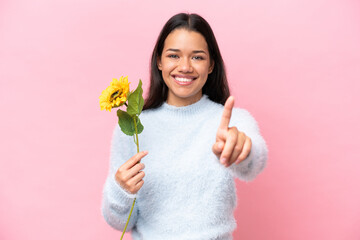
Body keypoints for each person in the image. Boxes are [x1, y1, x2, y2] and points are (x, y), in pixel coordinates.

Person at [101, 13, 268, 240]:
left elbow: (254, 163)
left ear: (211, 65)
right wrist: (121, 190)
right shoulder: (132, 127)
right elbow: (121, 223)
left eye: (197, 57)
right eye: (173, 56)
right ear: (159, 61)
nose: (185, 67)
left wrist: (240, 150)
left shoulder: (231, 122)